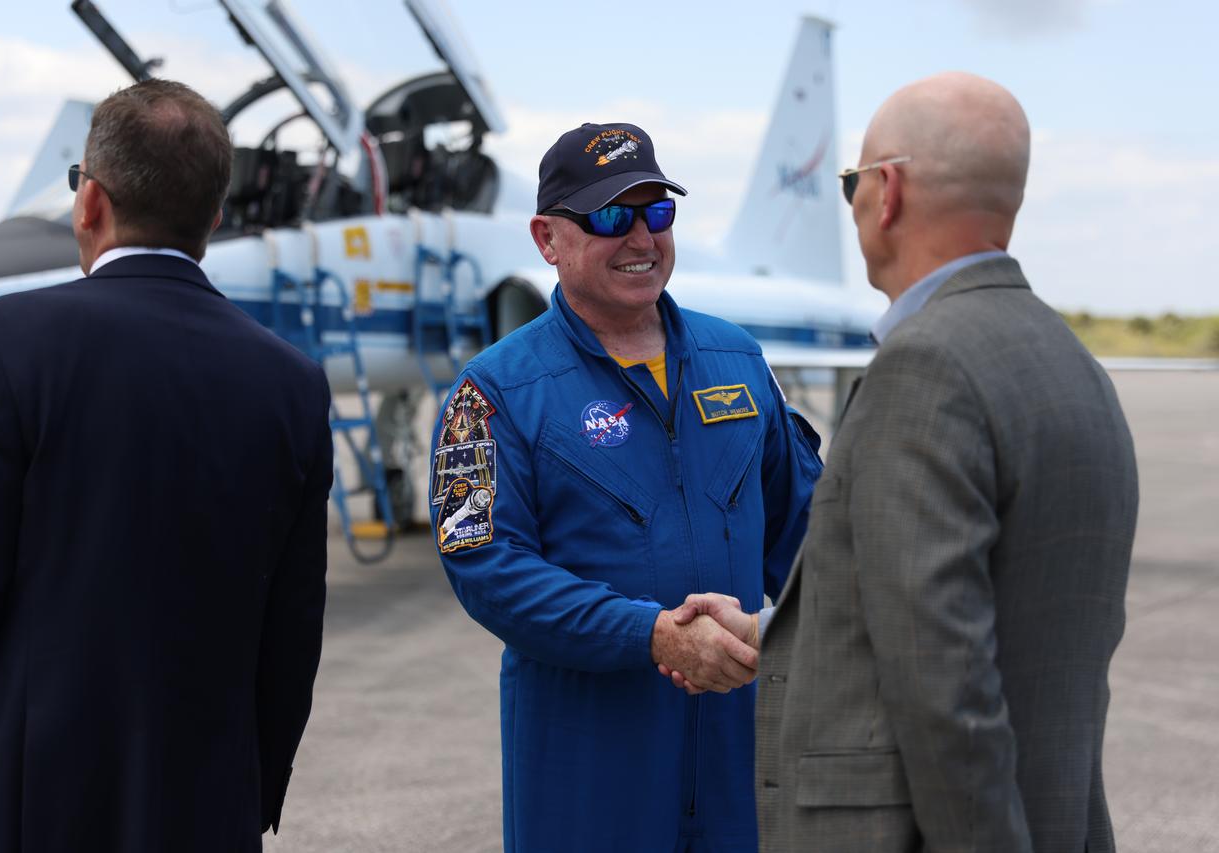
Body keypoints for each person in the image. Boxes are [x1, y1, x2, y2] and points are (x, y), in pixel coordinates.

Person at [671, 72, 1139, 852]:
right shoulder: (1073, 365)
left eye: (852, 180)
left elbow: (943, 684)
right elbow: (1009, 616)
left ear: (885, 192)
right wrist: (771, 627)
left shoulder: (926, 369)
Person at [0, 79, 331, 851]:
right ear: (215, 217)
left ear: (89, 203)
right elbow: (292, 634)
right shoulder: (291, 380)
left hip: (22, 803)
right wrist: (247, 790)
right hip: (205, 805)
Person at [428, 122, 822, 852]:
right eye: (611, 216)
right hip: (587, 772)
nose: (642, 238)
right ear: (548, 238)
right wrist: (650, 635)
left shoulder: (737, 361)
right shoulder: (491, 393)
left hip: (741, 761)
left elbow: (811, 536)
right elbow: (485, 565)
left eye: (657, 212)